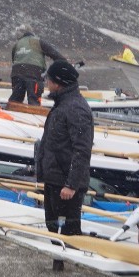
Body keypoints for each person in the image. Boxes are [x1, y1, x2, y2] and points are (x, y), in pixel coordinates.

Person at [34, 60, 93, 236]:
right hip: (55, 179)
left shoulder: (76, 108)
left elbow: (82, 150)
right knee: (53, 228)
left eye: (49, 80)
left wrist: (71, 185)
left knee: (68, 231)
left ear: (58, 83)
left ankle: (68, 260)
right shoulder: (62, 104)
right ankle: (58, 262)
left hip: (66, 185)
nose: (46, 83)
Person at [9, 24, 66, 105]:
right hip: (34, 73)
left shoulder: (16, 44)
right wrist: (64, 64)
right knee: (34, 100)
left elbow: (14, 60)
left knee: (15, 100)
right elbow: (56, 55)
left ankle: (12, 111)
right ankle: (34, 113)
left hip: (16, 73)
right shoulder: (37, 41)